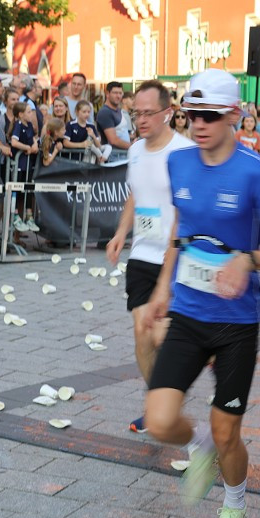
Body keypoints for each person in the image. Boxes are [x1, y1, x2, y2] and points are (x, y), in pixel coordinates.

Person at [141, 68, 260, 518]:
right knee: (161, 420)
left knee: (228, 431)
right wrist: (162, 287)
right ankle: (200, 447)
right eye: (192, 115)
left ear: (233, 115)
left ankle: (234, 510)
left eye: (210, 116)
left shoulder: (255, 173)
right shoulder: (180, 164)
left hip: (236, 322)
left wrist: (247, 260)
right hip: (187, 311)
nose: (199, 124)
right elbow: (181, 230)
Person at [107, 80, 197, 434]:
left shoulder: (185, 153)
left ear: (168, 113)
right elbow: (135, 195)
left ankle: (166, 401)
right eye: (136, 113)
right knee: (142, 334)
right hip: (143, 253)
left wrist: (170, 265)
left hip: (177, 256)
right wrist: (120, 234)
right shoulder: (135, 151)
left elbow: (182, 211)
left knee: (163, 336)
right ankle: (156, 403)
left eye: (148, 113)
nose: (140, 120)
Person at [8, 102, 40, 233]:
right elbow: (14, 142)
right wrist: (26, 147)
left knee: (28, 190)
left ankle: (29, 216)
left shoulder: (30, 125)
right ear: (20, 114)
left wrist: (34, 147)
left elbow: (33, 140)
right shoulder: (17, 125)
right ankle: (15, 215)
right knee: (17, 190)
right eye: (28, 112)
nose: (31, 114)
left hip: (28, 164)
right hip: (19, 164)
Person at [98, 81, 131, 157]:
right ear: (107, 94)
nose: (118, 96)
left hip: (123, 157)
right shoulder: (105, 112)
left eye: (120, 93)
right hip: (113, 159)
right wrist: (132, 146)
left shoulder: (118, 110)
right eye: (115, 93)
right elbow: (113, 140)